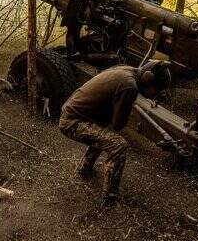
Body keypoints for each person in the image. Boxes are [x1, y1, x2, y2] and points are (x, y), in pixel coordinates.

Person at [59, 60, 172, 206]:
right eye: (157, 90)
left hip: (72, 114)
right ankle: (110, 199)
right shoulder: (129, 86)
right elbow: (118, 124)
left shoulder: (128, 70)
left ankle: (84, 169)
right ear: (147, 79)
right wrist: (126, 103)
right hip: (71, 122)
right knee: (119, 145)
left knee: (105, 133)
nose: (155, 95)